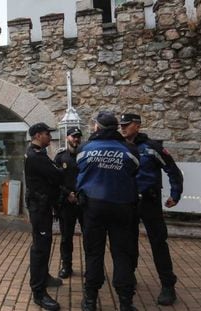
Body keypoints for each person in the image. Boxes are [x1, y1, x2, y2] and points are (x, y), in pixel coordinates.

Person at [77, 112, 140, 311]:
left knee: (93, 253)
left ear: (98, 127)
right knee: (122, 254)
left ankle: (90, 300)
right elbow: (134, 171)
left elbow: (79, 169)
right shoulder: (129, 149)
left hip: (93, 207)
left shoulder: (84, 148)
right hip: (122, 206)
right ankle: (125, 302)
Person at [120, 113, 183, 306]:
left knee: (158, 243)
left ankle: (167, 285)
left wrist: (175, 194)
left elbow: (172, 170)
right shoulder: (120, 147)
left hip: (149, 201)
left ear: (137, 126)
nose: (122, 128)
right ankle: (129, 279)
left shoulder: (152, 147)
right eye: (121, 125)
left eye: (126, 125)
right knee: (128, 243)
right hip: (128, 202)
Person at [25, 122, 64, 311]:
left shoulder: (39, 153)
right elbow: (56, 175)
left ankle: (44, 277)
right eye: (48, 134)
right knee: (40, 248)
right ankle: (38, 292)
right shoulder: (35, 156)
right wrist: (62, 170)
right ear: (38, 135)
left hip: (43, 205)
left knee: (44, 244)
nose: (50, 136)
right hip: (39, 208)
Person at [54, 127, 83, 279]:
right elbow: (54, 179)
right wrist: (68, 194)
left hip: (84, 201)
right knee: (66, 237)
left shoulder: (85, 155)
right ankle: (67, 266)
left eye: (78, 137)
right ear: (67, 138)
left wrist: (78, 194)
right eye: (73, 136)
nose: (76, 139)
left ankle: (91, 268)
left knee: (91, 236)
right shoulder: (60, 157)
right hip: (66, 202)